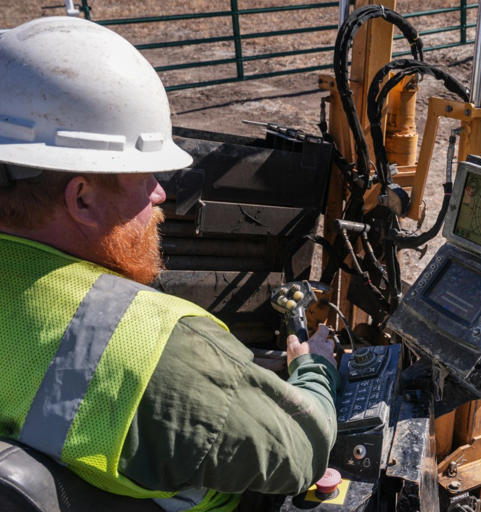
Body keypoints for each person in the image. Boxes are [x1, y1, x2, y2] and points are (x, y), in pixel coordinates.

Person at [0, 16, 338, 512]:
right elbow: (303, 450)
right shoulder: (153, 345)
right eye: (145, 177)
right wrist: (315, 368)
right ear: (82, 198)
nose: (159, 193)